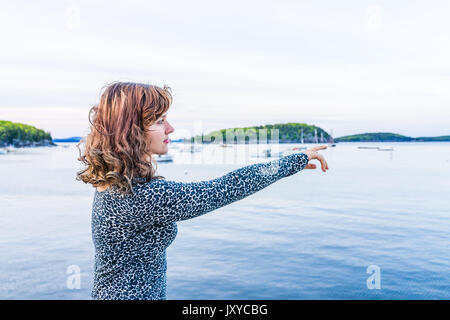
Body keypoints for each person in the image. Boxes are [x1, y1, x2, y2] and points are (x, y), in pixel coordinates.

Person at [76, 81, 329, 300]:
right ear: (132, 130)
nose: (171, 128)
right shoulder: (142, 196)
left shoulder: (117, 183)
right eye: (160, 121)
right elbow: (226, 188)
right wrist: (290, 162)